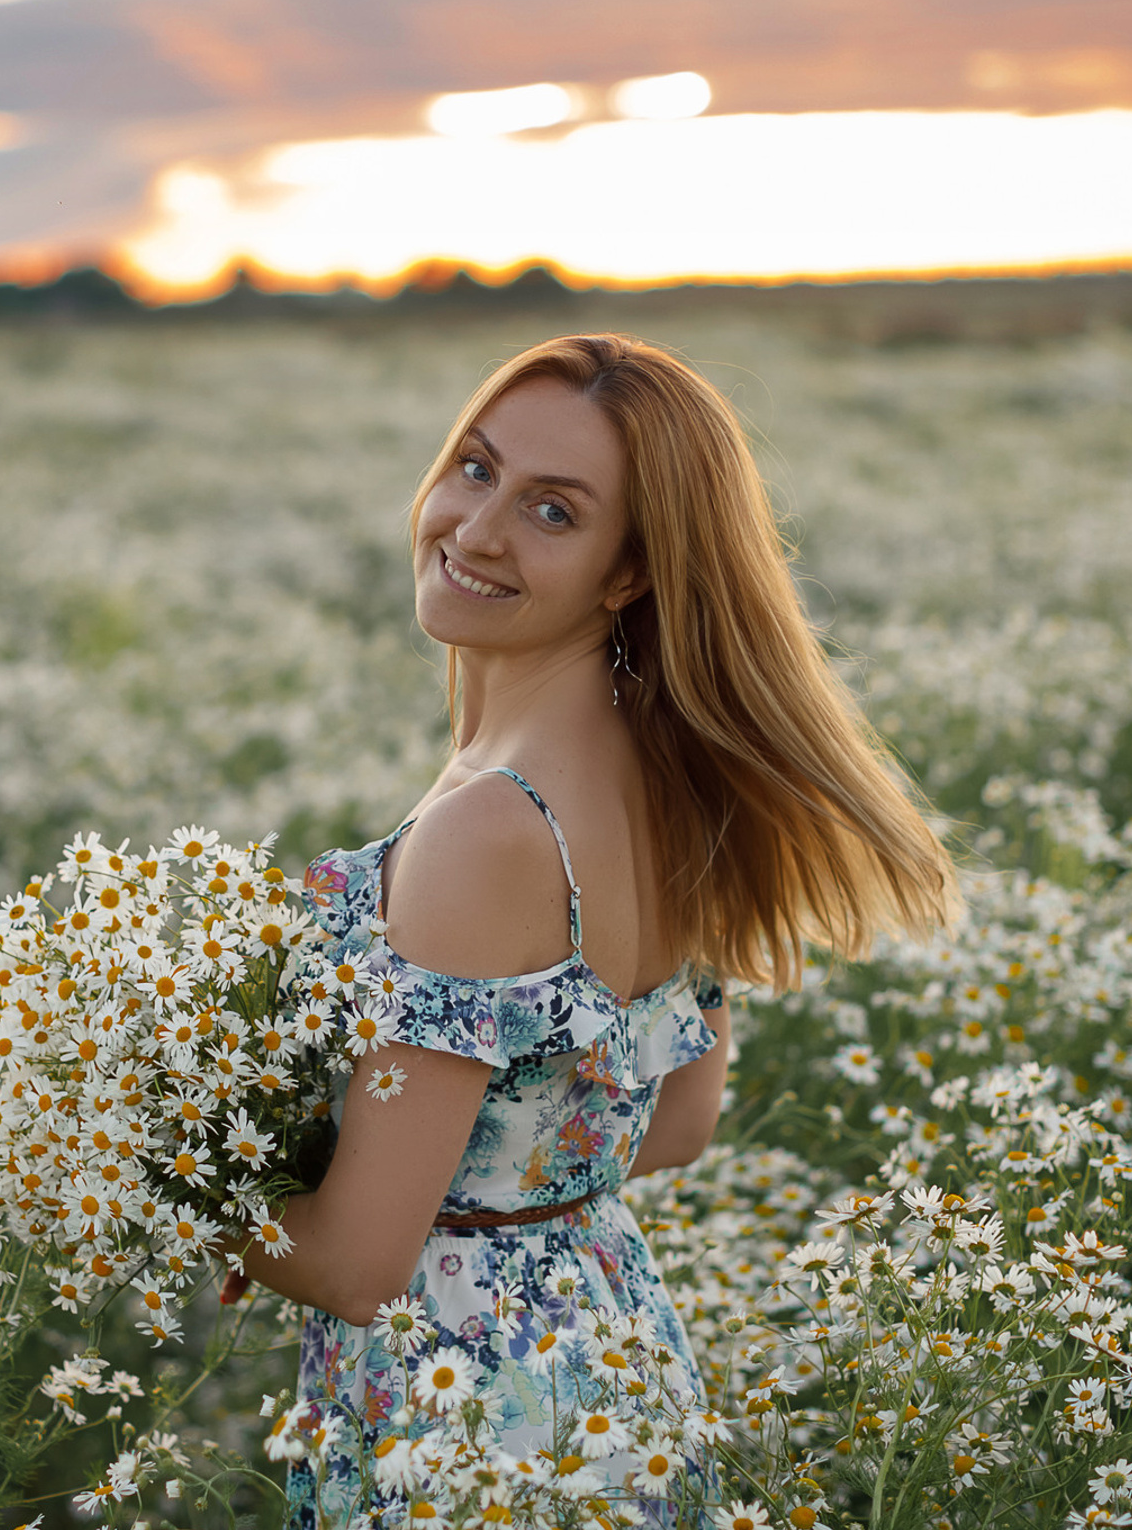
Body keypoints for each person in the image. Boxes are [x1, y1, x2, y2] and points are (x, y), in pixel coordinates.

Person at [229, 333, 956, 1523]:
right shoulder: (675, 781)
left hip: (467, 1426)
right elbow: (677, 1125)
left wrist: (148, 1168)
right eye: (475, 467)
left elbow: (358, 1265)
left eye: (553, 512)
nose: (475, 528)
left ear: (629, 574)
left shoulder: (490, 830)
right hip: (619, 1380)